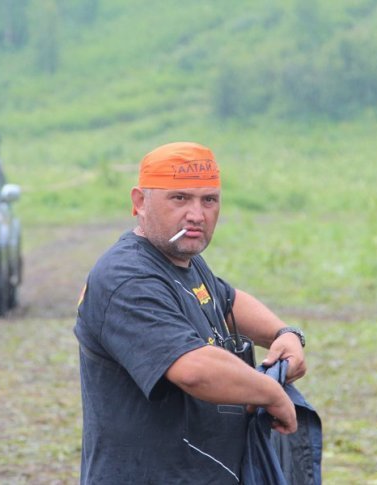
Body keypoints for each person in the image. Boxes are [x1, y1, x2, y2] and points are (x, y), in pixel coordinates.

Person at [74, 141, 308, 484]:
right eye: (179, 198)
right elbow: (193, 369)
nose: (197, 215)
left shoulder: (184, 261)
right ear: (140, 202)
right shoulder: (125, 278)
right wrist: (270, 392)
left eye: (208, 200)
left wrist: (283, 334)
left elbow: (226, 301)